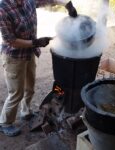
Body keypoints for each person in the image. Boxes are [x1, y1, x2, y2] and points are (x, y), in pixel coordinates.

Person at [0, 0, 77, 137]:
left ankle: (26, 112)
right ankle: (5, 123)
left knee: (30, 87)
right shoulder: (3, 8)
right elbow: (10, 41)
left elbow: (48, 0)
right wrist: (35, 42)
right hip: (14, 57)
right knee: (16, 93)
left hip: (29, 53)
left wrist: (67, 4)